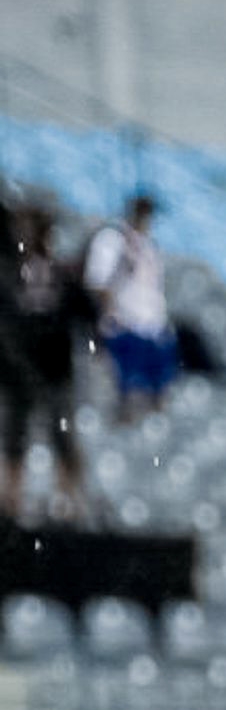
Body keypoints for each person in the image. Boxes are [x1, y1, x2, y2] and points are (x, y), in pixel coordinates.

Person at [0, 205, 89, 525]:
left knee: (61, 433)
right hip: (16, 371)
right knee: (14, 435)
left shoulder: (62, 277)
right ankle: (10, 504)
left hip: (54, 369)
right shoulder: (10, 276)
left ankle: (67, 504)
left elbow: (83, 312)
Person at [81, 195, 173, 424]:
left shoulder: (148, 245)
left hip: (152, 326)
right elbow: (97, 282)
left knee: (157, 391)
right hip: (124, 325)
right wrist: (109, 316)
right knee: (127, 391)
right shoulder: (112, 240)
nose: (147, 219)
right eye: (143, 213)